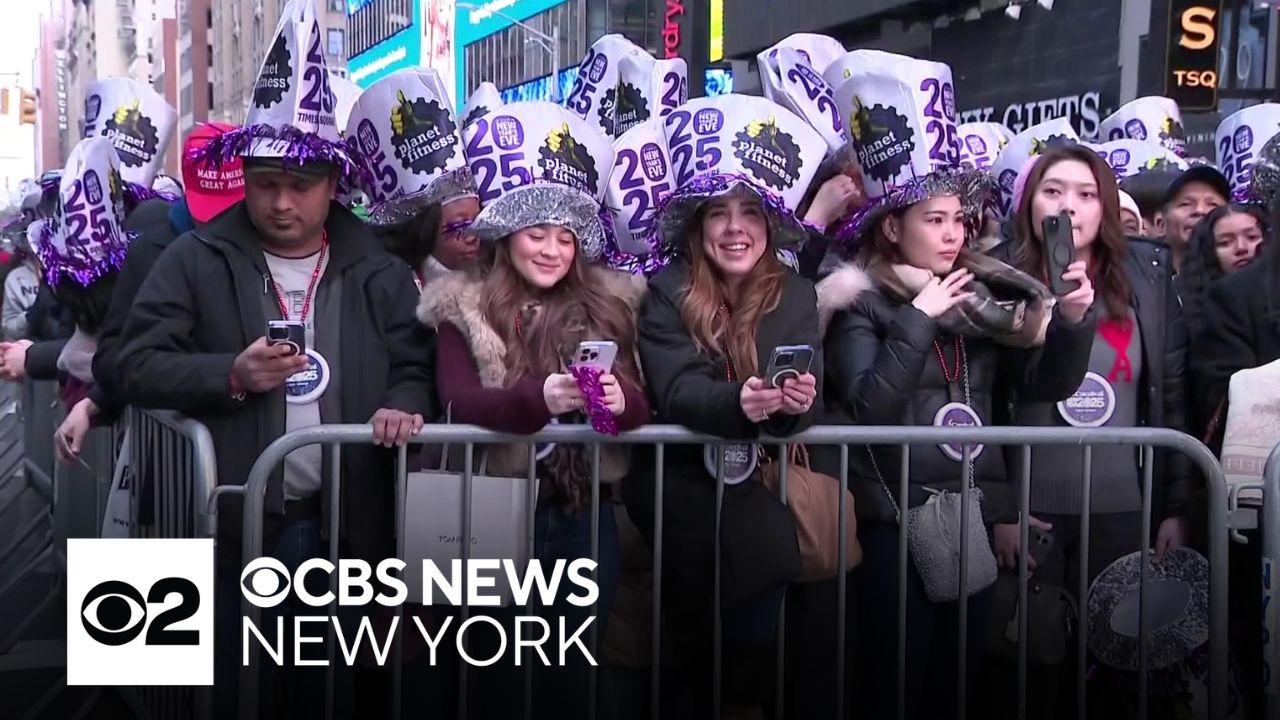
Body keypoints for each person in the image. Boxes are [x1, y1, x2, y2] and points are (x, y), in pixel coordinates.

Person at [115, 14, 436, 717]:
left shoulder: (378, 270)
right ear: (244, 181)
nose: (282, 201)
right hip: (229, 528)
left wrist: (403, 401)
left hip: (348, 528)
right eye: (264, 183)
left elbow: (417, 362)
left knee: (335, 693)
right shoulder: (194, 259)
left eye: (300, 183)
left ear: (332, 185)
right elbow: (132, 363)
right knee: (228, 694)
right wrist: (228, 375)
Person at [816, 55, 1096, 720]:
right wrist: (918, 319)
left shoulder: (990, 299)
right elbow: (868, 407)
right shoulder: (861, 300)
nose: (951, 234)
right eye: (933, 220)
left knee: (957, 684)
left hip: (967, 512)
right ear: (893, 227)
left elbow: (1037, 387)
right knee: (895, 681)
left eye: (958, 219)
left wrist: (1073, 324)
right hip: (891, 519)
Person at [417, 99, 649, 720]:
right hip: (493, 508)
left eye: (565, 238)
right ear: (506, 236)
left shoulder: (611, 307)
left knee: (574, 675)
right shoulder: (461, 307)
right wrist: (532, 401)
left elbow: (640, 408)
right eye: (537, 233)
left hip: (583, 514)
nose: (551, 250)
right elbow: (458, 397)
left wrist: (621, 402)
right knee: (496, 676)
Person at [624, 94, 825, 717]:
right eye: (718, 212)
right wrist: (739, 400)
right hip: (682, 500)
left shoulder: (796, 293)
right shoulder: (666, 292)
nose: (735, 228)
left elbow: (807, 394)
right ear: (698, 225)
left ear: (769, 225)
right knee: (691, 661)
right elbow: (676, 388)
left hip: (761, 500)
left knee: (751, 662)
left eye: (749, 212)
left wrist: (795, 403)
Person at [995, 144, 1191, 717]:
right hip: (1033, 509)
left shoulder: (1148, 274)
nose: (1070, 206)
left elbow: (1171, 394)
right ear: (1031, 201)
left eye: (1086, 194)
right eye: (1053, 191)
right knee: (1033, 670)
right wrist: (1002, 506)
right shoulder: (996, 272)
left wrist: (1174, 506)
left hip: (1124, 506)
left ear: (1105, 206)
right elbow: (990, 395)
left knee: (1121, 673)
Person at [56, 121, 246, 460]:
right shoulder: (153, 249)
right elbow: (119, 357)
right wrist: (99, 400)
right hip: (179, 460)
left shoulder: (270, 240)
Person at [347, 69, 483, 289]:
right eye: (459, 226)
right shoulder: (387, 286)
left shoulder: (497, 289)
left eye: (478, 224)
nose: (472, 237)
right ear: (424, 229)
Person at [1177, 203, 1268, 344]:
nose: (1241, 248)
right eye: (1225, 242)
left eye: (1252, 237)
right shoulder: (1197, 312)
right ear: (1209, 253)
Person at [1150, 165, 1229, 272]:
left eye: (1212, 204)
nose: (1200, 210)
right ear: (1160, 224)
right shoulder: (1140, 278)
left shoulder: (1245, 281)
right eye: (1185, 204)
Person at [2, 242, 39, 340]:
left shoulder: (71, 272)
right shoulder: (16, 278)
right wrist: (29, 316)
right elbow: (9, 328)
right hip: (32, 348)